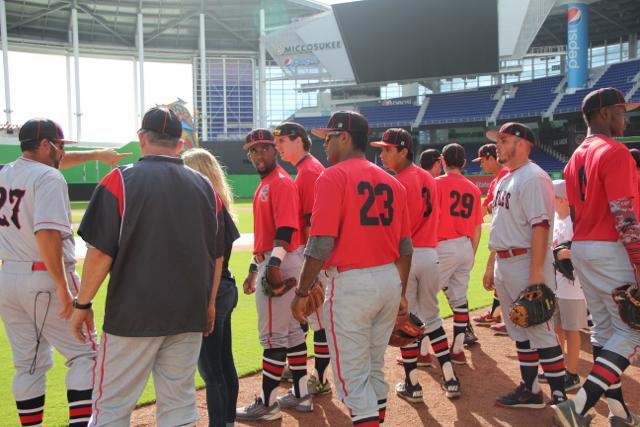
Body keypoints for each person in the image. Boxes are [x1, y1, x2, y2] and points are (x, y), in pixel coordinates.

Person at [70, 107, 222, 426]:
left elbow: (99, 254)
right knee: (179, 405)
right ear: (179, 143)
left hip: (132, 316)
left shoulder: (120, 180)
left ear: (142, 138)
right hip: (188, 313)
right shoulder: (206, 186)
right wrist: (209, 305)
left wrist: (82, 303)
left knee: (111, 406)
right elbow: (215, 254)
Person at [291, 111, 412, 426]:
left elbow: (320, 243)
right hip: (388, 279)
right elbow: (405, 247)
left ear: (344, 137)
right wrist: (399, 290)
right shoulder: (392, 182)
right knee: (373, 369)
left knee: (352, 379)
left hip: (351, 284)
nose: (325, 145)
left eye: (329, 138)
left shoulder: (331, 176)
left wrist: (302, 290)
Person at [0, 118, 97, 427]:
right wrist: (65, 289)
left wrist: (99, 154)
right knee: (85, 356)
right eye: (59, 145)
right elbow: (47, 234)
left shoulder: (4, 173)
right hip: (45, 276)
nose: (61, 152)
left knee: (28, 365)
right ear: (44, 145)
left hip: (7, 278)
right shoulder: (49, 177)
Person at [553, 88, 640, 426]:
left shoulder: (575, 156)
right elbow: (624, 214)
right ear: (603, 113)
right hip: (611, 247)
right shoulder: (615, 152)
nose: (626, 116)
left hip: (584, 246)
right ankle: (578, 407)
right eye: (620, 110)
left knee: (604, 331)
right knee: (633, 331)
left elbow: (573, 212)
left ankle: (618, 412)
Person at [371, 128, 461, 403]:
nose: (382, 154)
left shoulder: (399, 182)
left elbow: (396, 230)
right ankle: (450, 377)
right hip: (431, 255)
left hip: (407, 258)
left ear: (403, 151)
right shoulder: (427, 177)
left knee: (404, 320)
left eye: (387, 149)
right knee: (432, 317)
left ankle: (412, 384)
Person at [485, 122, 567, 408]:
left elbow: (541, 227)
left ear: (522, 143)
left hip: (525, 262)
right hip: (506, 262)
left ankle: (560, 400)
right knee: (519, 328)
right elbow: (499, 227)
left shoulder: (533, 177)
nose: (498, 144)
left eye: (503, 139)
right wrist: (490, 266)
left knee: (541, 330)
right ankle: (531, 390)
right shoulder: (507, 178)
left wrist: (535, 273)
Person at [236, 129, 311, 421]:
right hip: (278, 259)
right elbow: (267, 234)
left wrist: (274, 266)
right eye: (253, 151)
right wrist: (255, 270)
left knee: (272, 337)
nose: (258, 155)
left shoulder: (279, 182)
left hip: (281, 260)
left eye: (264, 148)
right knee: (292, 334)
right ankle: (302, 394)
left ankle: (267, 403)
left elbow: (286, 228)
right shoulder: (266, 183)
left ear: (274, 150)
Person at [182, 148, 241, 427]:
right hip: (226, 288)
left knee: (210, 370)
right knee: (223, 362)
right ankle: (227, 421)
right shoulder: (220, 205)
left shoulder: (204, 207)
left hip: (212, 291)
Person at [273, 122, 332, 396]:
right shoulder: (308, 169)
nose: (278, 146)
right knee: (309, 317)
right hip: (313, 254)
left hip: (315, 255)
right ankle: (300, 367)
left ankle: (319, 378)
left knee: (318, 318)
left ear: (298, 140)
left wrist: (314, 268)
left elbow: (313, 224)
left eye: (282, 141)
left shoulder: (309, 172)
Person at [434, 143, 482, 363]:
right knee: (460, 300)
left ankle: (424, 350)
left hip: (443, 246)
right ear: (464, 163)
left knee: (424, 299)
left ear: (442, 160)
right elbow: (477, 227)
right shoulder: (473, 188)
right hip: (465, 245)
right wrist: (471, 252)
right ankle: (458, 349)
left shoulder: (435, 184)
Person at [540, 179, 586, 393]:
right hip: (557, 283)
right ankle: (556, 368)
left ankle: (573, 374)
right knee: (557, 328)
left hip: (573, 285)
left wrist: (570, 254)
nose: (552, 202)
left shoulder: (577, 223)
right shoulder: (557, 220)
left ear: (564, 199)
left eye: (554, 198)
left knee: (572, 330)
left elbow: (586, 253)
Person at [471, 144, 510, 331]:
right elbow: (485, 207)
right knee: (500, 276)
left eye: (482, 161)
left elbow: (490, 208)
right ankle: (496, 314)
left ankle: (506, 316)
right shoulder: (496, 179)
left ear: (491, 158)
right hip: (500, 232)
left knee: (505, 276)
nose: (481, 166)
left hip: (509, 235)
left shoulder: (505, 175)